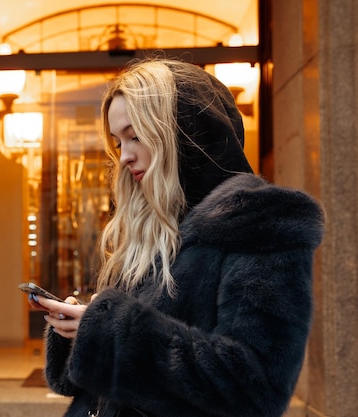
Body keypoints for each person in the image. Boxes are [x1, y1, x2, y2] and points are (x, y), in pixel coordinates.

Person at [27, 58, 324, 417]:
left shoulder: (260, 226)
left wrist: (111, 329)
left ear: (183, 132)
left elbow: (254, 387)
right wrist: (83, 329)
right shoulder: (151, 225)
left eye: (135, 136)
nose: (124, 156)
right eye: (118, 141)